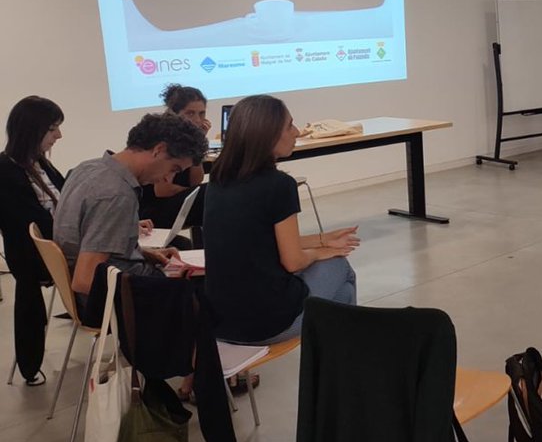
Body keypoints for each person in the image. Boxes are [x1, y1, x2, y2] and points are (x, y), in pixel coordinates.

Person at [203, 95, 359, 345]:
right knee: (340, 267)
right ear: (267, 135)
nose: (297, 132)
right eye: (289, 126)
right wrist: (322, 252)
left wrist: (322, 240)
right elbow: (293, 261)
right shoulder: (279, 185)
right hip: (266, 324)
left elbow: (259, 240)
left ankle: (339, 358)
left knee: (343, 293)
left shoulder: (218, 181)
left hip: (220, 321)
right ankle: (344, 364)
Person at [54, 113, 209, 299]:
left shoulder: (88, 168)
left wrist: (144, 253)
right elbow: (85, 280)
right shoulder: (116, 194)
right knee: (209, 290)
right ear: (159, 150)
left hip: (113, 282)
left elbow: (89, 243)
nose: (168, 178)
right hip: (115, 301)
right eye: (174, 169)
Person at [0, 97, 66, 385]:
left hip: (60, 245)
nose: (59, 136)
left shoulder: (40, 164)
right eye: (53, 129)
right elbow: (34, 223)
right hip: (33, 256)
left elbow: (68, 201)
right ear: (32, 130)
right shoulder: (5, 170)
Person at [139, 84, 209, 234]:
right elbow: (162, 191)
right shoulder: (165, 139)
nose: (197, 120)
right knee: (209, 194)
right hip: (154, 210)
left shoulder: (188, 139)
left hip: (173, 200)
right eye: (190, 113)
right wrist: (193, 192)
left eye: (202, 113)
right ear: (174, 113)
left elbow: (195, 180)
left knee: (208, 195)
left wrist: (199, 142)